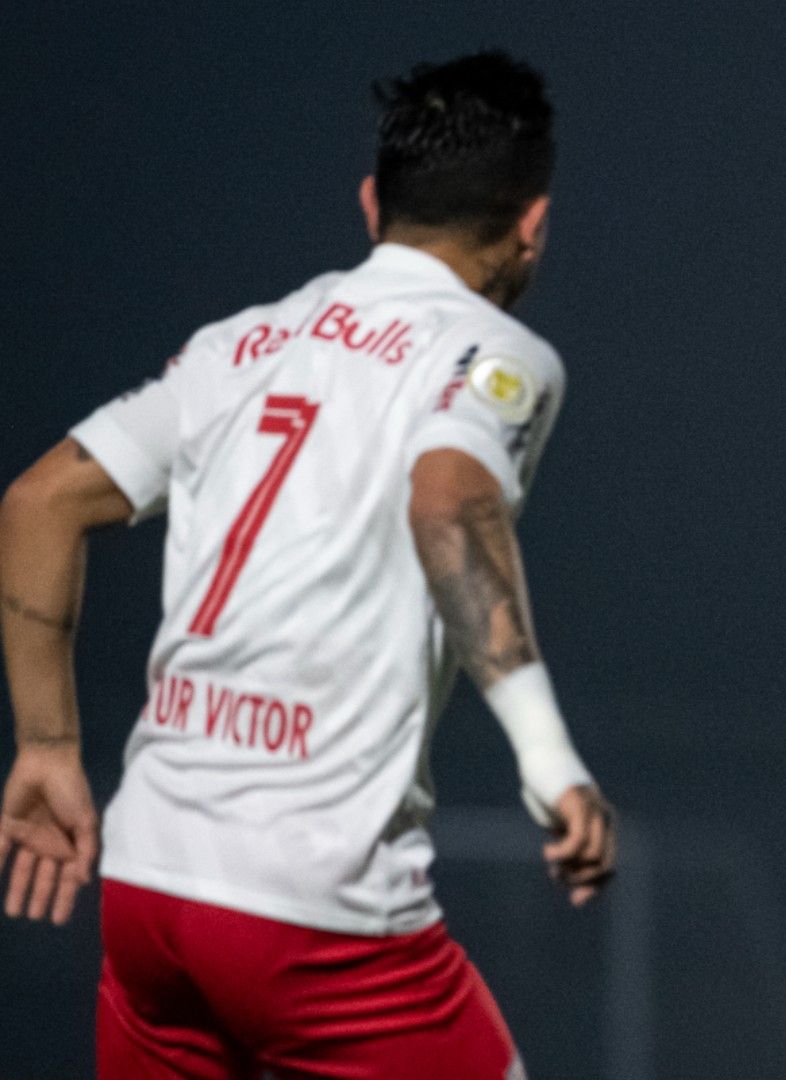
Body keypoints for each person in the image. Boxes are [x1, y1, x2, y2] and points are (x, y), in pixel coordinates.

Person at [0, 52, 614, 1077]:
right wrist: (551, 762)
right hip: (314, 909)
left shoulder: (233, 346)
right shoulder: (493, 354)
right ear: (533, 222)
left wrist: (48, 750)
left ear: (372, 204)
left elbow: (38, 502)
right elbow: (450, 501)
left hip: (150, 888)